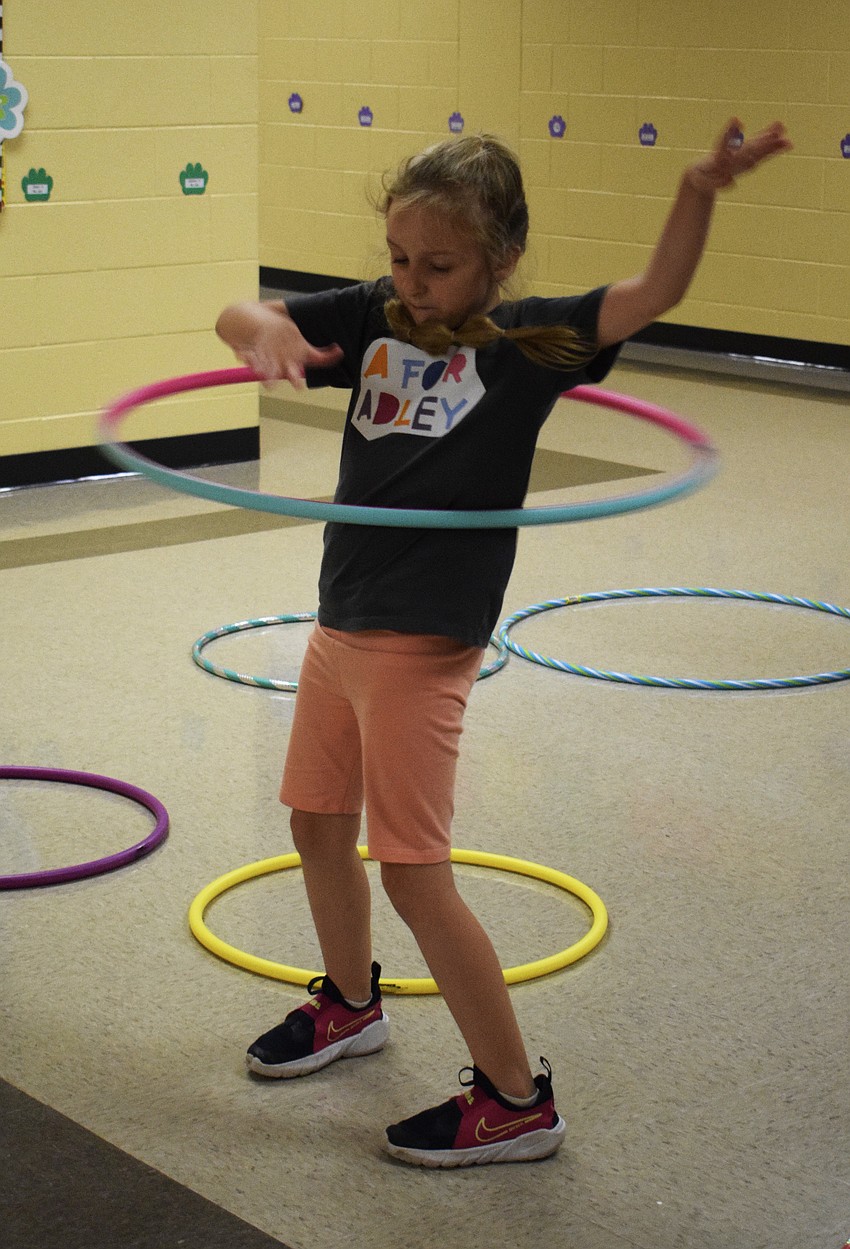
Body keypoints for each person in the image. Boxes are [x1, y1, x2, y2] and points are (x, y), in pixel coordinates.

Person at [215, 117, 790, 1168]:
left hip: (421, 645)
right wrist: (261, 330)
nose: (412, 282)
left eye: (438, 264)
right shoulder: (372, 320)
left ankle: (516, 1098)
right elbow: (237, 308)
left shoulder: (528, 345)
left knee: (413, 871)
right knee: (313, 820)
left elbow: (652, 292)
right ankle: (349, 1003)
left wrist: (698, 191)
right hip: (338, 623)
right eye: (399, 258)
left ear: (499, 260)